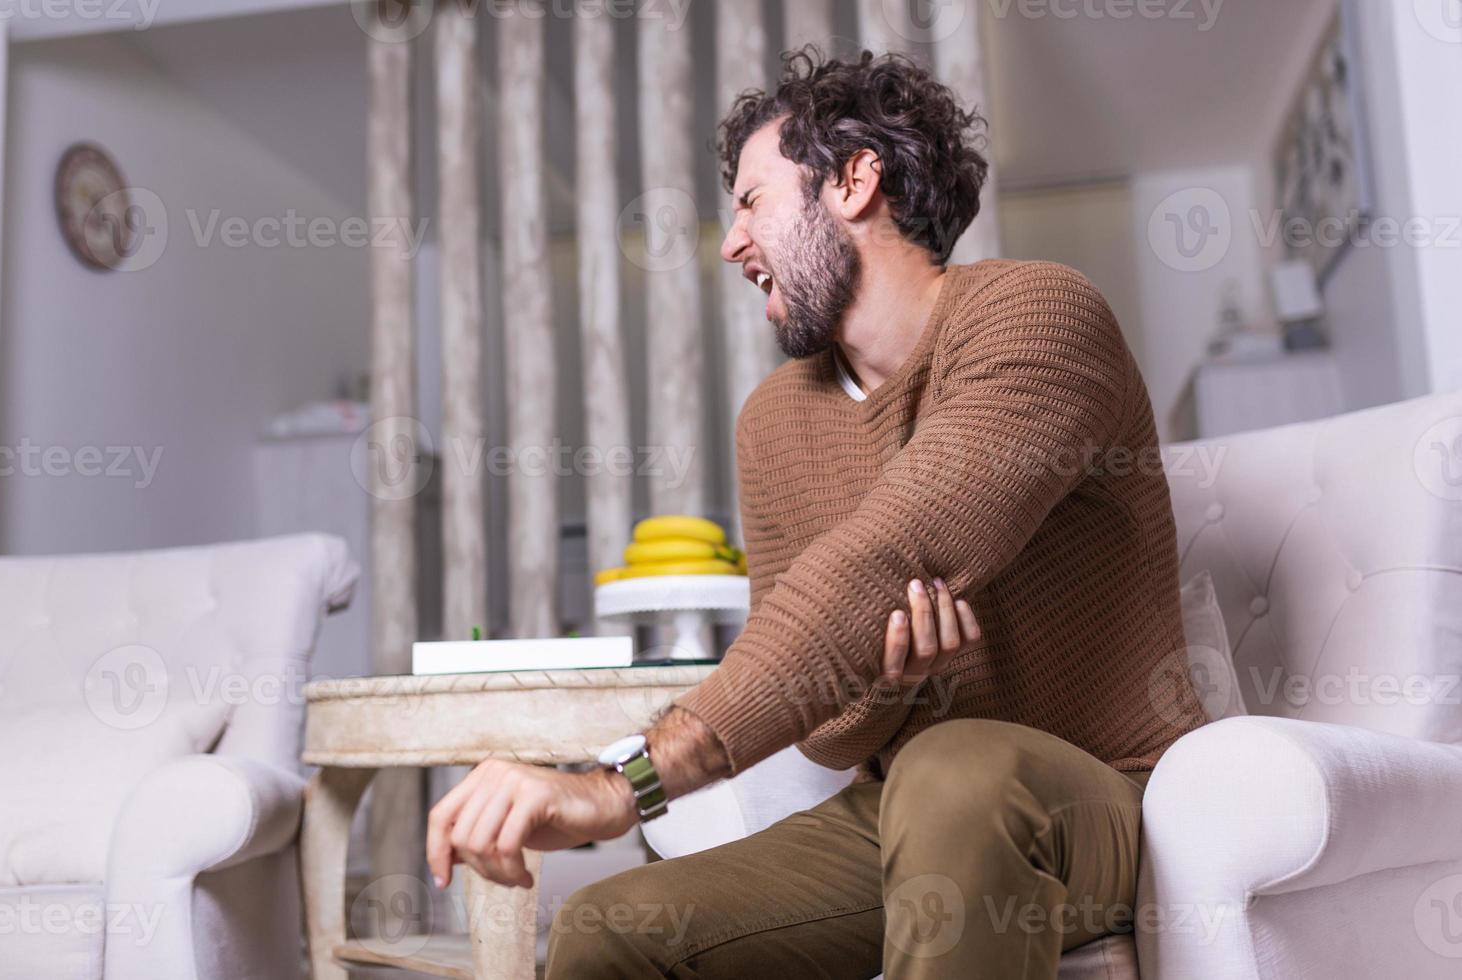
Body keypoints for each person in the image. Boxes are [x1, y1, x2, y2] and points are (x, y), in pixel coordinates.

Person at [426, 46, 1206, 979]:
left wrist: (617, 786)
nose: (729, 243)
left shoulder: (1036, 314)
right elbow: (827, 730)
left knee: (953, 768)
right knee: (608, 928)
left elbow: (892, 550)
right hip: (894, 815)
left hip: (1105, 801)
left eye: (752, 201)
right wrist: (888, 683)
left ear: (854, 180)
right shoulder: (775, 421)